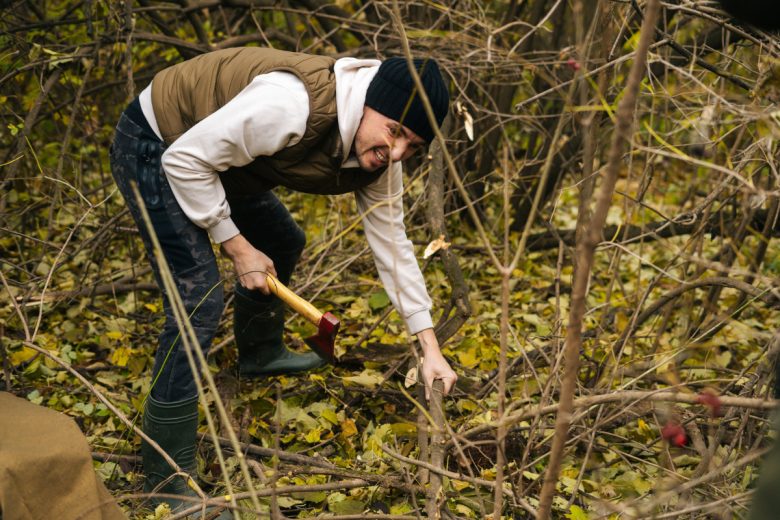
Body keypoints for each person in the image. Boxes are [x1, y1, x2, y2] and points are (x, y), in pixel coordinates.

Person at [109, 47, 458, 513]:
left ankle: (259, 355)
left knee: (282, 239)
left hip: (224, 164)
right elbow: (185, 161)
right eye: (394, 132)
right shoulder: (292, 103)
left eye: (412, 146)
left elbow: (393, 244)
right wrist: (237, 246)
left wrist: (429, 346)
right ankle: (166, 475)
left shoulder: (379, 157)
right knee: (199, 294)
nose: (394, 154)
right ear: (369, 102)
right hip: (159, 143)